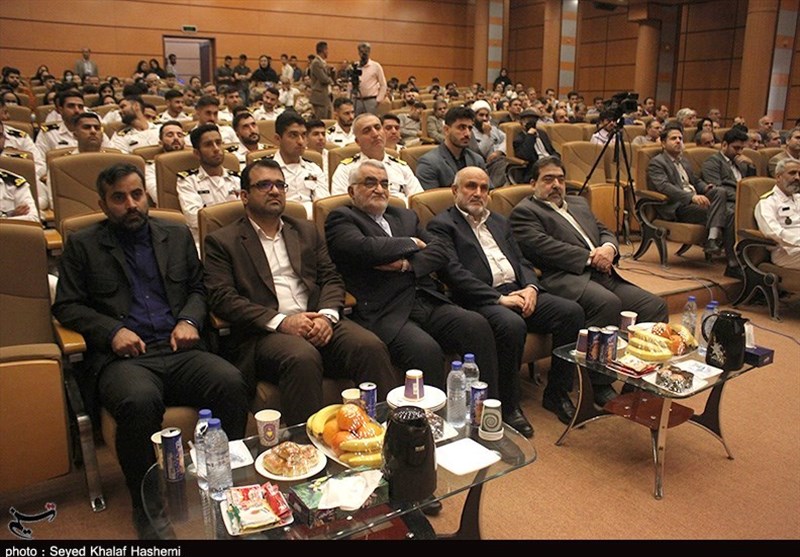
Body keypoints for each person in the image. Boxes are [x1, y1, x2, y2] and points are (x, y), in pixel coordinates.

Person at [52, 162, 248, 539]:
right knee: (138, 401)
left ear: (147, 196)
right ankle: (148, 509)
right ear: (103, 204)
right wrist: (112, 331)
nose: (131, 205)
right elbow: (67, 305)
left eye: (137, 195)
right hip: (125, 359)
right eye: (119, 198)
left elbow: (198, 288)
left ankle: (225, 483)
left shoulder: (174, 234)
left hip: (179, 348)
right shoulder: (83, 244)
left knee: (231, 381)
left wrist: (189, 320)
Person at [203, 158, 396, 425]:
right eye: (264, 185)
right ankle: (307, 445)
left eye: (280, 185)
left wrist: (327, 316)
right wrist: (282, 322)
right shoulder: (223, 241)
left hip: (317, 319)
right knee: (302, 356)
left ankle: (385, 430)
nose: (274, 191)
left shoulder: (305, 230)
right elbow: (223, 298)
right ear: (244, 196)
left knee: (369, 346)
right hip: (265, 332)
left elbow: (331, 277)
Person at [325, 158, 501, 401]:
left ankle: (488, 407)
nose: (379, 189)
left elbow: (440, 251)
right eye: (370, 183)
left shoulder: (405, 216)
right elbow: (365, 248)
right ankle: (429, 420)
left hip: (426, 298)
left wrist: (406, 265)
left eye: (384, 183)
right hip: (386, 309)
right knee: (425, 351)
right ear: (352, 191)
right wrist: (412, 243)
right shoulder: (341, 218)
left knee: (476, 325)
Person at [427, 166, 584, 431]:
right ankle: (508, 406)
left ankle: (557, 394)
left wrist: (531, 288)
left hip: (518, 290)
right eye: (471, 186)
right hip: (479, 298)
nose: (478, 193)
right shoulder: (442, 225)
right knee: (511, 324)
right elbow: (453, 274)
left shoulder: (499, 221)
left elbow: (522, 261)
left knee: (571, 312)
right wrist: (498, 299)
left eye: (484, 188)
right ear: (455, 190)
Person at [510, 157, 668, 406]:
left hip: (602, 273)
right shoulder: (525, 212)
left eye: (560, 179)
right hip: (564, 278)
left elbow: (604, 231)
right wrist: (591, 257)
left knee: (654, 306)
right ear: (533, 183)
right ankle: (598, 383)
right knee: (607, 303)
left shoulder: (578, 203)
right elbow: (545, 248)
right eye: (548, 179)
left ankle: (636, 379)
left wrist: (608, 248)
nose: (556, 185)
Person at [646, 124, 735, 275]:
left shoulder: (684, 161)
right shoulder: (657, 162)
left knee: (719, 191)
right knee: (729, 214)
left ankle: (712, 239)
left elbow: (695, 181)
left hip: (695, 201)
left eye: (680, 138)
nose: (678, 141)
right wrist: (691, 197)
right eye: (673, 138)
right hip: (678, 206)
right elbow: (664, 187)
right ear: (663, 143)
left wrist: (705, 188)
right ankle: (731, 261)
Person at [330, 113, 422, 204]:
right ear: (358, 141)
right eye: (367, 131)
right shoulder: (346, 169)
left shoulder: (401, 167)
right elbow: (342, 205)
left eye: (378, 128)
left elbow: (418, 201)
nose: (375, 134)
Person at [176, 124, 241, 246]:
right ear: (197, 153)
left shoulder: (237, 179)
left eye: (218, 143)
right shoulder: (188, 181)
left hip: (238, 239)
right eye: (208, 145)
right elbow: (194, 219)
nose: (216, 149)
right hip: (205, 242)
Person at [265, 111, 328, 218]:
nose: (301, 141)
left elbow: (323, 205)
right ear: (278, 139)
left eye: (303, 135)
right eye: (293, 135)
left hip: (313, 223)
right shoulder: (265, 170)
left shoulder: (314, 168)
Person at [416, 106, 487, 189]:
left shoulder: (477, 160)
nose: (467, 134)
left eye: (470, 128)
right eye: (462, 128)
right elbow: (432, 197)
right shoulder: (429, 163)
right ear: (446, 130)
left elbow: (488, 192)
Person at [755, 158, 800, 269]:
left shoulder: (798, 198)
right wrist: (798, 241)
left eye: (799, 174)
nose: (797, 178)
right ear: (778, 177)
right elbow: (772, 232)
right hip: (786, 252)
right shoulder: (767, 202)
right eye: (792, 173)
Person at [144, 120, 188, 204]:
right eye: (170, 135)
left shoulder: (195, 163)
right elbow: (160, 197)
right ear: (160, 143)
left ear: (184, 143)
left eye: (179, 135)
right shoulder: (152, 168)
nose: (176, 138)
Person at [353, 42, 387, 116]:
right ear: (358, 52)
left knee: (370, 121)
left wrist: (378, 100)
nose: (364, 54)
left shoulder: (376, 66)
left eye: (366, 51)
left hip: (371, 100)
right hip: (356, 100)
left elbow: (383, 84)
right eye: (361, 51)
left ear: (369, 52)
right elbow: (350, 84)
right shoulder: (355, 66)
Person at [309, 41, 334, 119]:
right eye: (327, 49)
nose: (328, 52)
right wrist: (331, 81)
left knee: (328, 118)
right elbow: (323, 79)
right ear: (324, 50)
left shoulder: (322, 63)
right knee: (321, 120)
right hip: (320, 97)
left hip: (326, 96)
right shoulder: (316, 63)